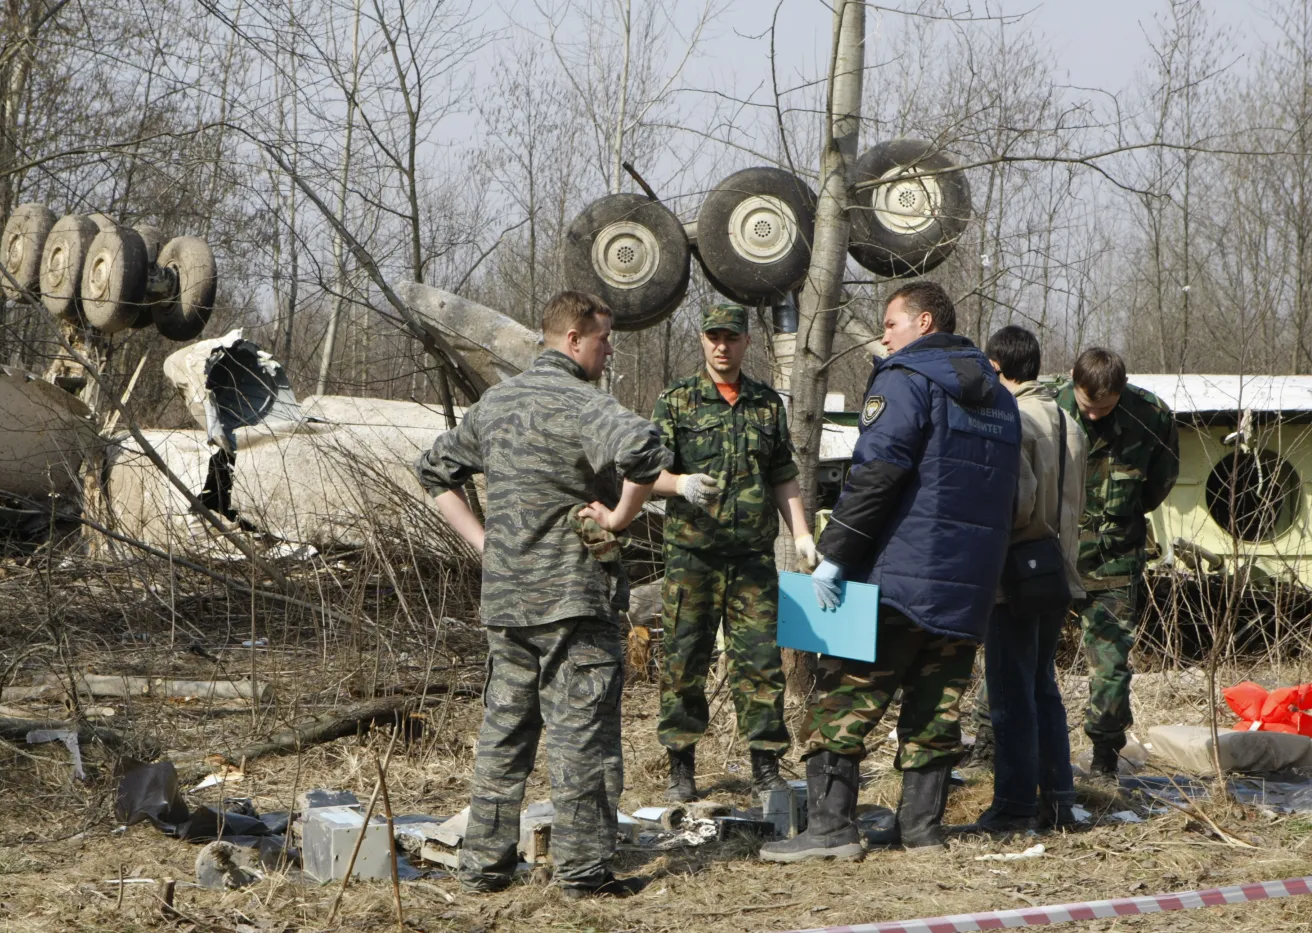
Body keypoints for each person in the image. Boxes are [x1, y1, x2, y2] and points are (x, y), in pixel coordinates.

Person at [414, 291, 672, 899]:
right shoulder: (585, 404)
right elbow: (645, 451)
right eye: (604, 339)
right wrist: (618, 519)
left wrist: (484, 545)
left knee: (504, 736)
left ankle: (484, 866)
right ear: (575, 339)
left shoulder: (496, 404)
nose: (609, 351)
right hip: (571, 602)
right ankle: (583, 873)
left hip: (506, 602)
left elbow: (432, 471)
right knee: (581, 736)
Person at [760, 281, 1020, 864]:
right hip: (969, 585)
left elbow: (878, 473)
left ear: (924, 322)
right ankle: (922, 829)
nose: (884, 336)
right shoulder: (1000, 399)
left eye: (891, 324)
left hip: (899, 579)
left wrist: (836, 553)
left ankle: (831, 828)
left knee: (845, 700)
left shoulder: (907, 380)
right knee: (936, 705)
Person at [649, 303, 818, 801]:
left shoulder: (767, 404)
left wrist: (803, 535)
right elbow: (645, 474)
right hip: (692, 558)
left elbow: (783, 474)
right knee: (684, 661)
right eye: (713, 337)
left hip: (751, 560)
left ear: (747, 343)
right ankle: (681, 767)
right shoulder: (677, 402)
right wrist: (678, 483)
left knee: (761, 664)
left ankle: (765, 765)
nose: (722, 346)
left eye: (732, 338)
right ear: (702, 340)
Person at [969, 326, 1088, 834]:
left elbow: (1017, 505)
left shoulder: (1011, 419)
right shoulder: (1069, 420)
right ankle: (1059, 798)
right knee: (1043, 687)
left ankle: (1014, 805)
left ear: (997, 367)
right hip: (1059, 574)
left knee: (1010, 694)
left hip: (1016, 576)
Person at [1056, 347, 1179, 782]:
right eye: (1087, 406)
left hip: (1114, 560)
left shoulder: (1151, 415)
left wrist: (1117, 520)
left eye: (1104, 409)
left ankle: (1105, 757)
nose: (1093, 416)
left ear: (1122, 392)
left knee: (1110, 666)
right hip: (1051, 557)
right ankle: (991, 746)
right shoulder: (1048, 406)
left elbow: (1160, 482)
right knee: (1019, 652)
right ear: (1073, 381)